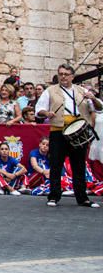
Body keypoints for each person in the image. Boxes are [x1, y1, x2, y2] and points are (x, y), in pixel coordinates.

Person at [36, 64, 103, 207]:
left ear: (72, 76)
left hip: (78, 130)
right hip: (58, 130)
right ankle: (54, 196)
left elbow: (99, 107)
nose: (63, 76)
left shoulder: (82, 90)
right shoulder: (50, 91)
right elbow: (39, 108)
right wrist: (47, 113)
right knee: (56, 164)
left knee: (79, 165)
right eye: (61, 74)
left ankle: (82, 197)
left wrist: (93, 97)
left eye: (66, 74)